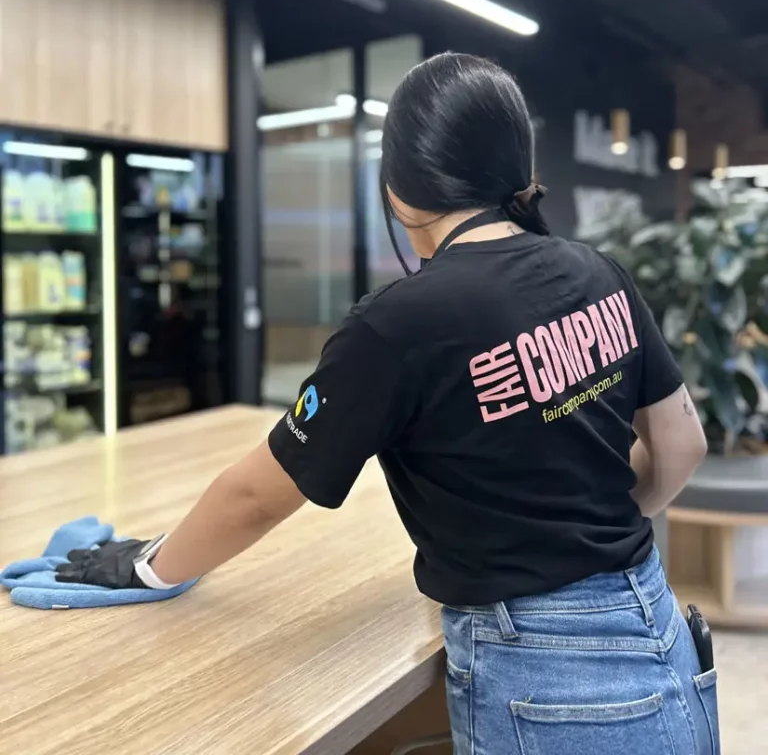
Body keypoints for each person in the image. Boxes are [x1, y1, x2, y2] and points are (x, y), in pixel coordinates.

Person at [57, 54, 717, 754]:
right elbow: (682, 447)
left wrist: (149, 566)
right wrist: (588, 536)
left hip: (542, 673)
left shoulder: (399, 323)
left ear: (400, 188)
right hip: (656, 621)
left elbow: (258, 494)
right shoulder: (599, 271)